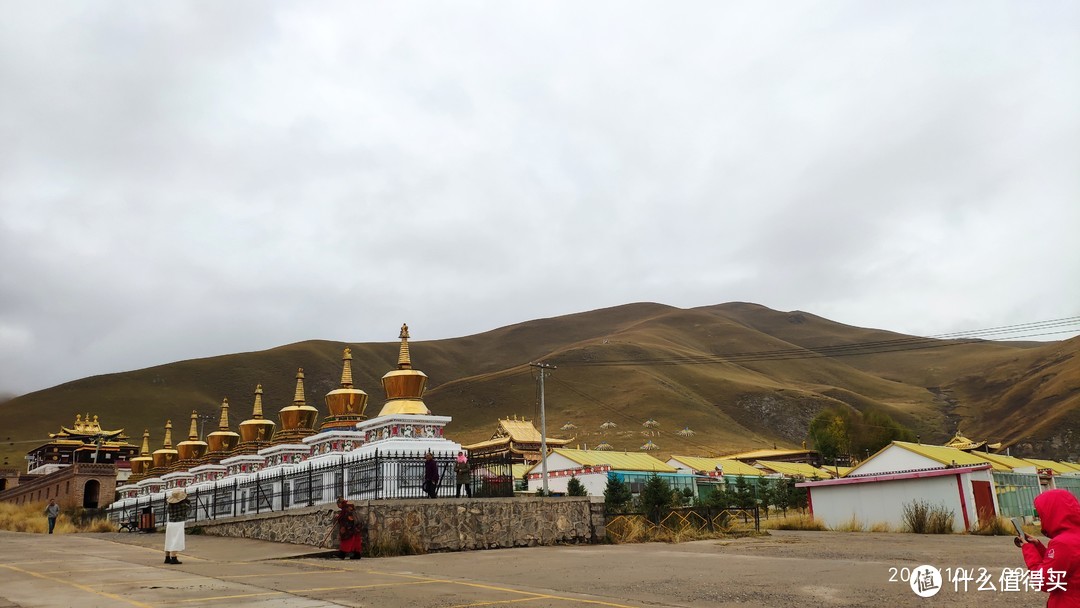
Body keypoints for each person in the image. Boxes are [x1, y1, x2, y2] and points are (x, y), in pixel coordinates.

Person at [1016, 488, 1080, 607]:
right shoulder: (1074, 536)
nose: (1041, 520)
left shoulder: (1062, 543)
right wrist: (1038, 547)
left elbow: (1045, 581)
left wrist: (1028, 550)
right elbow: (1067, 563)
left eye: (1041, 516)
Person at [164, 489, 191, 565]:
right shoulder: (183, 505)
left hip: (170, 523)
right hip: (179, 523)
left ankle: (167, 557)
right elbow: (189, 509)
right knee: (176, 540)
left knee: (169, 539)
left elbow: (168, 511)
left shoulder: (169, 506)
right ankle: (173, 557)